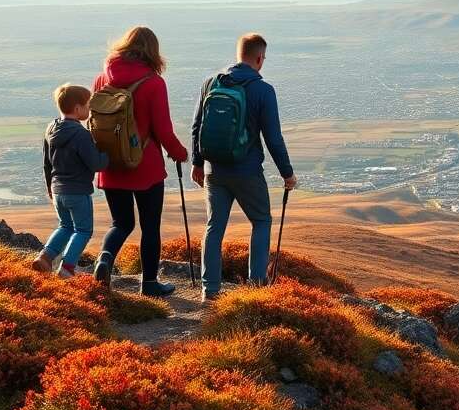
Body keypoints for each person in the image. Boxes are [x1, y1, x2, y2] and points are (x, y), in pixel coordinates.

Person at [191, 33, 297, 302]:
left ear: (239, 54)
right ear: (260, 58)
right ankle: (256, 287)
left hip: (215, 170)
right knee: (261, 221)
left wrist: (197, 163)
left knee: (215, 226)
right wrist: (287, 173)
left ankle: (209, 291)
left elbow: (196, 127)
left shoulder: (211, 83)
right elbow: (273, 137)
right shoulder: (263, 91)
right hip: (247, 171)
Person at [90, 26, 189, 296]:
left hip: (110, 165)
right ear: (152, 51)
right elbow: (163, 130)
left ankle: (104, 259)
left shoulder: (102, 80)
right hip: (145, 168)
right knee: (149, 226)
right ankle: (149, 283)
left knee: (120, 223)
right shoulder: (153, 83)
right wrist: (180, 153)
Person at [34, 84, 109, 278]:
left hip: (58, 189)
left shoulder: (51, 128)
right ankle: (67, 268)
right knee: (83, 230)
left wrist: (50, 187)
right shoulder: (81, 135)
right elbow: (95, 164)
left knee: (65, 226)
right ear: (77, 108)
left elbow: (46, 162)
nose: (89, 109)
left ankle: (45, 256)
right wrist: (108, 154)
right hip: (78, 191)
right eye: (87, 106)